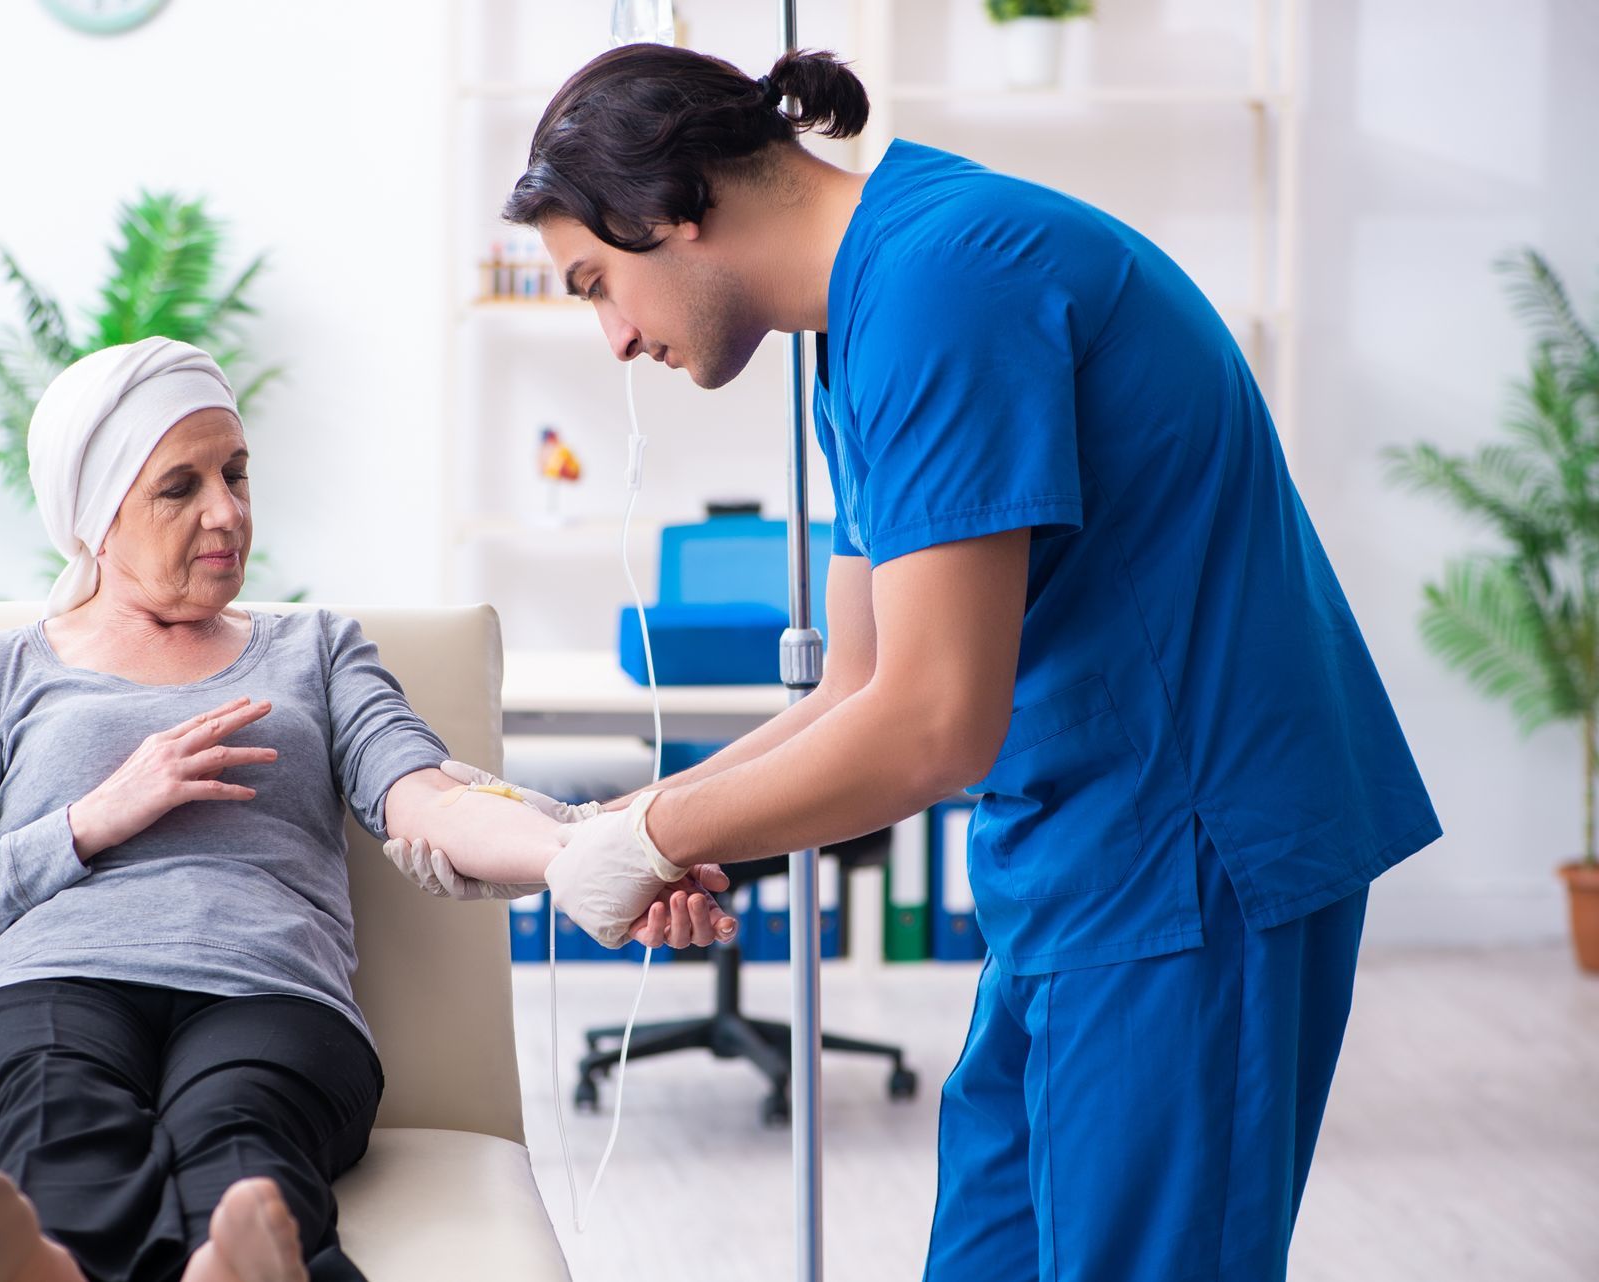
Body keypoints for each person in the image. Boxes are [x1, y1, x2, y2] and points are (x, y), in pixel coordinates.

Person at [426, 43, 1443, 1282]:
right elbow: (856, 683)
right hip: (1078, 858)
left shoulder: (943, 287)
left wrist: (650, 836)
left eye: (599, 283)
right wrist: (624, 824)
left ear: (671, 207)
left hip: (1188, 856)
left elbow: (930, 726)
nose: (616, 338)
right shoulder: (865, 321)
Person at [0, 337, 731, 1282]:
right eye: (179, 487)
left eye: (236, 473)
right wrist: (89, 821)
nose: (227, 510)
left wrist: (581, 854)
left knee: (244, 1152)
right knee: (60, 1131)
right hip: (47, 985)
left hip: (269, 990)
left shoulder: (317, 649)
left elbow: (426, 801)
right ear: (97, 517)